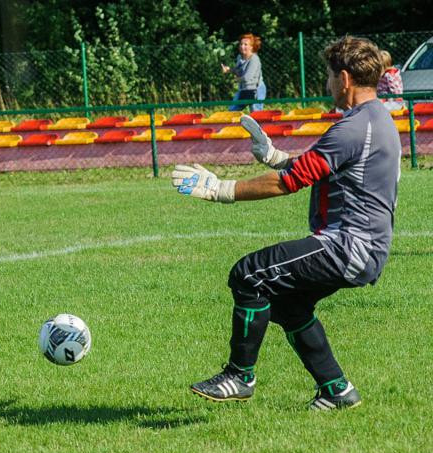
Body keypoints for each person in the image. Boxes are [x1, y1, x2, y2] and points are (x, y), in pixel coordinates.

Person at [171, 36, 400, 410]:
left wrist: (220, 189)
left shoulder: (355, 126)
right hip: (364, 247)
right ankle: (337, 390)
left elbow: (291, 182)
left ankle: (239, 375)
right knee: (288, 305)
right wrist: (274, 155)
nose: (327, 84)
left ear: (344, 79)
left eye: (329, 76)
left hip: (348, 246)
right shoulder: (374, 120)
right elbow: (318, 167)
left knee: (248, 274)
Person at [222, 33, 264, 112]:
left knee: (256, 114)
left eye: (245, 44)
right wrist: (229, 69)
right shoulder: (240, 57)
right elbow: (238, 71)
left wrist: (237, 80)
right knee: (232, 110)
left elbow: (247, 77)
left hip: (256, 90)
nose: (242, 46)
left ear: (251, 47)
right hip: (243, 89)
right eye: (241, 44)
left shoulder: (254, 59)